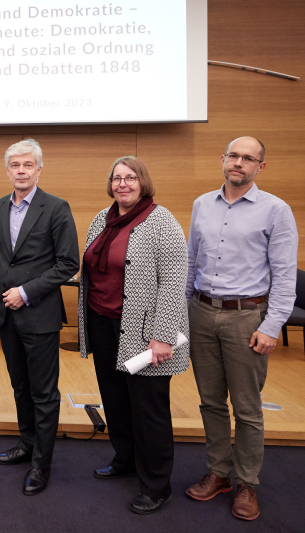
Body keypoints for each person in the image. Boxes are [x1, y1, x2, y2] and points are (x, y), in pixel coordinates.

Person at [185, 136, 298, 521]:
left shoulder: (276, 211)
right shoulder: (201, 204)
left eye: (248, 158)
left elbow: (284, 276)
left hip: (247, 319)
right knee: (210, 401)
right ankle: (219, 473)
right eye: (233, 155)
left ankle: (248, 481)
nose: (238, 162)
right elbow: (191, 262)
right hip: (201, 313)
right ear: (223, 159)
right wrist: (184, 313)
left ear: (260, 167)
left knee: (247, 408)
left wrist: (271, 326)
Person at [78, 156, 189, 514]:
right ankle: (125, 459)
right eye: (116, 178)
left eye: (129, 178)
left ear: (142, 182)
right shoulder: (101, 218)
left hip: (143, 334)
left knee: (148, 408)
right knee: (115, 400)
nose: (122, 184)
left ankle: (157, 486)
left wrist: (162, 336)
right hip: (103, 324)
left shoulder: (162, 221)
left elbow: (173, 282)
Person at [0, 138, 79, 495]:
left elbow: (68, 263)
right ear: (7, 170)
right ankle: (26, 444)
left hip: (39, 316)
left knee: (43, 393)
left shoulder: (56, 207)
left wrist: (25, 292)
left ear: (39, 169)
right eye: (15, 165)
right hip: (7, 317)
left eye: (28, 165)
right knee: (19, 386)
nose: (21, 171)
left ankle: (42, 463)